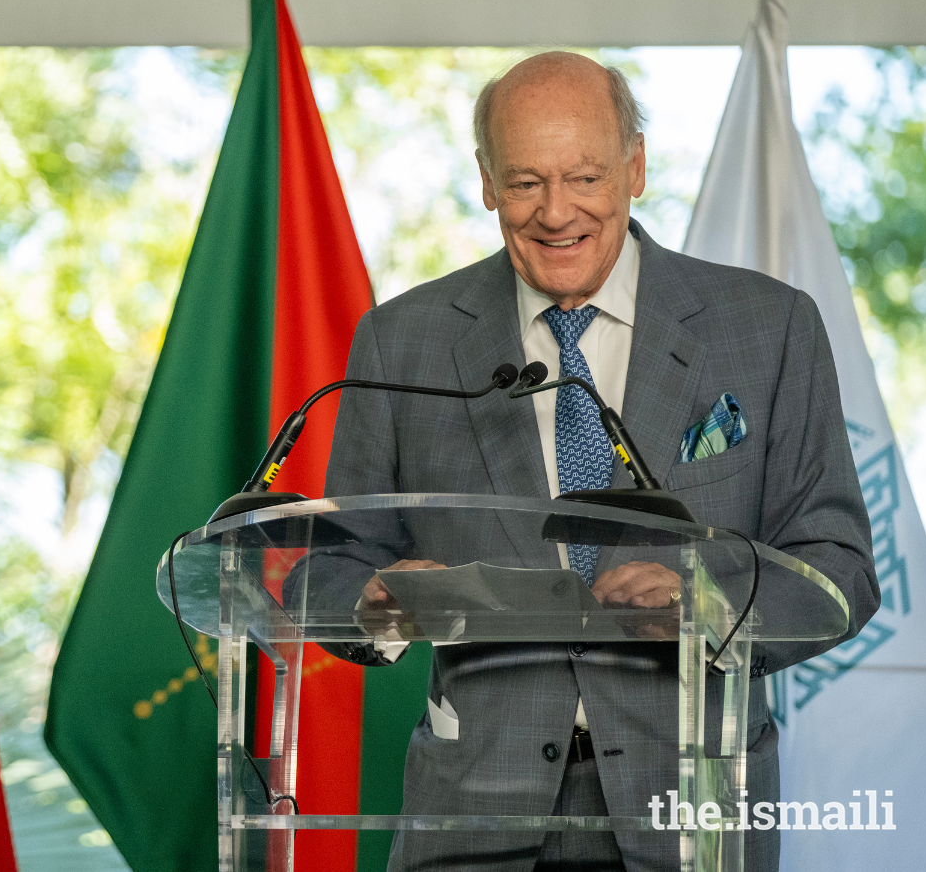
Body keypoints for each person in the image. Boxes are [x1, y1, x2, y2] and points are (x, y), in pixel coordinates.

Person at [316, 52, 880, 872]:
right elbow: (336, 566)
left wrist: (708, 597)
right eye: (524, 183)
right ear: (484, 182)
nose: (555, 213)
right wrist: (373, 601)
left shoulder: (770, 327)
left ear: (636, 166)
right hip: (470, 813)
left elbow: (842, 570)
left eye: (584, 176)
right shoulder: (404, 338)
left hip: (695, 808)